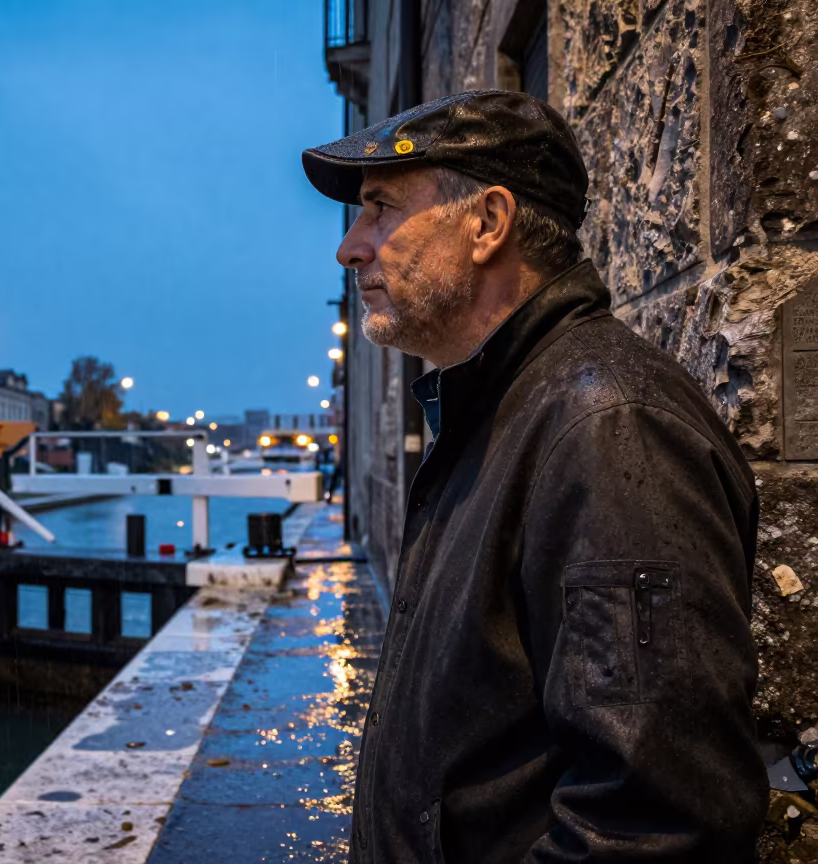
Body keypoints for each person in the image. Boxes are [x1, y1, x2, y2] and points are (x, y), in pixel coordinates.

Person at [301, 90, 767, 863]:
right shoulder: (510, 406)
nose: (350, 247)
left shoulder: (610, 426)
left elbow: (659, 822)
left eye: (379, 208)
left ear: (487, 223)